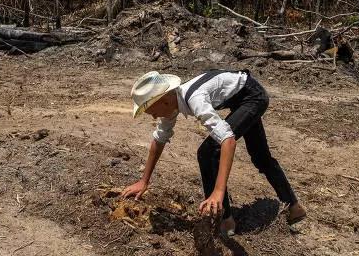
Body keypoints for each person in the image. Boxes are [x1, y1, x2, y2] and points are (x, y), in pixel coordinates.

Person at [121, 69, 306, 235]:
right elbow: (159, 139)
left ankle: (223, 218)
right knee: (259, 157)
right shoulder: (171, 102)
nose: (154, 116)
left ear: (165, 100)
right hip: (242, 97)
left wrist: (218, 191)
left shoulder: (194, 99)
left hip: (253, 97)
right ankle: (294, 207)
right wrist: (144, 181)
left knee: (209, 151)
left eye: (152, 111)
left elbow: (227, 141)